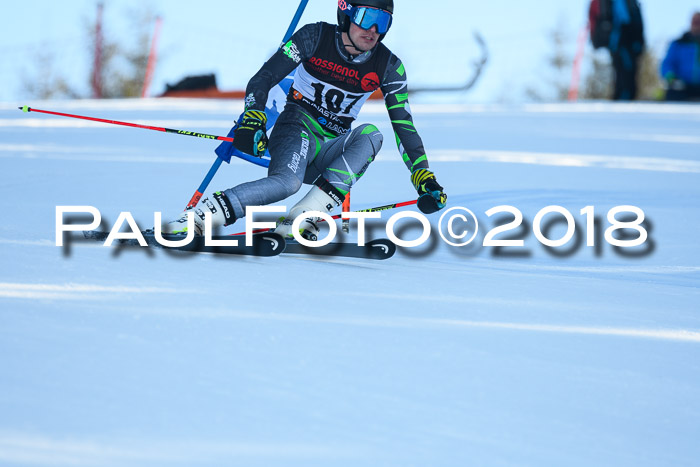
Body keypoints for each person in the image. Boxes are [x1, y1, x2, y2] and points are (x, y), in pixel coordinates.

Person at [164, 0, 447, 239]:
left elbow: (404, 127)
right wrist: (253, 117)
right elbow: (263, 78)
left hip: (330, 147)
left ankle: (301, 219)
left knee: (372, 135)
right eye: (366, 17)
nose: (373, 30)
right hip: (296, 129)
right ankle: (200, 217)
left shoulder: (389, 66)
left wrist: (423, 176)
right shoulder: (315, 37)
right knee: (286, 184)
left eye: (383, 22)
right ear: (346, 12)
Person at [660, 12, 700, 102]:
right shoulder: (679, 44)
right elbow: (667, 64)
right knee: (672, 95)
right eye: (695, 22)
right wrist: (671, 77)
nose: (696, 25)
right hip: (682, 87)